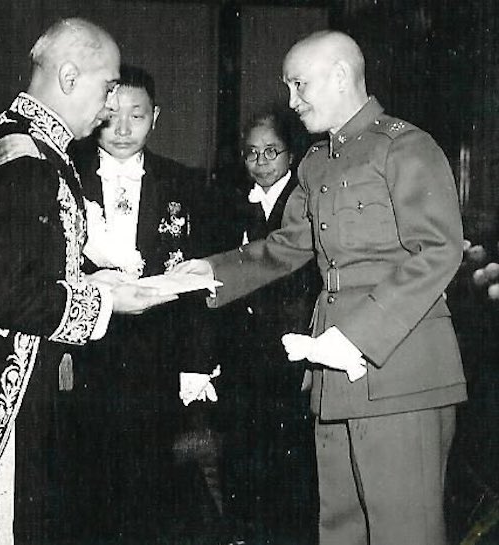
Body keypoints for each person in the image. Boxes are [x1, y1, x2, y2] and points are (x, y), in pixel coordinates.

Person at [176, 30, 467, 545]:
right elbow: (288, 244)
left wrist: (355, 337)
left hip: (397, 369)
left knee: (405, 532)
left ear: (339, 75)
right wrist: (210, 270)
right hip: (332, 373)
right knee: (340, 528)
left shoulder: (406, 146)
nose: (292, 101)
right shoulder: (316, 162)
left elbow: (439, 251)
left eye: (299, 85)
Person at [0, 19, 176, 545]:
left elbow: (23, 266)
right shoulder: (27, 161)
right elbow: (10, 295)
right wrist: (106, 300)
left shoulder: (22, 140)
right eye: (107, 87)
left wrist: (94, 279)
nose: (109, 105)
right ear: (70, 78)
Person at [68, 65, 222, 544]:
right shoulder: (65, 175)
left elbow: (200, 283)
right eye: (110, 114)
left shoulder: (186, 184)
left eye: (136, 115)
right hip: (85, 352)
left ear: (155, 116)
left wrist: (196, 364)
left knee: (153, 486)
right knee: (83, 485)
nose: (121, 128)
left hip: (158, 356)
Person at [214, 109, 319, 544]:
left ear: (290, 153)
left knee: (288, 461)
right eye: (251, 153)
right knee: (240, 450)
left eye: (271, 151)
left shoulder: (306, 199)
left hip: (290, 349)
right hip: (244, 351)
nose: (261, 161)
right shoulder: (231, 201)